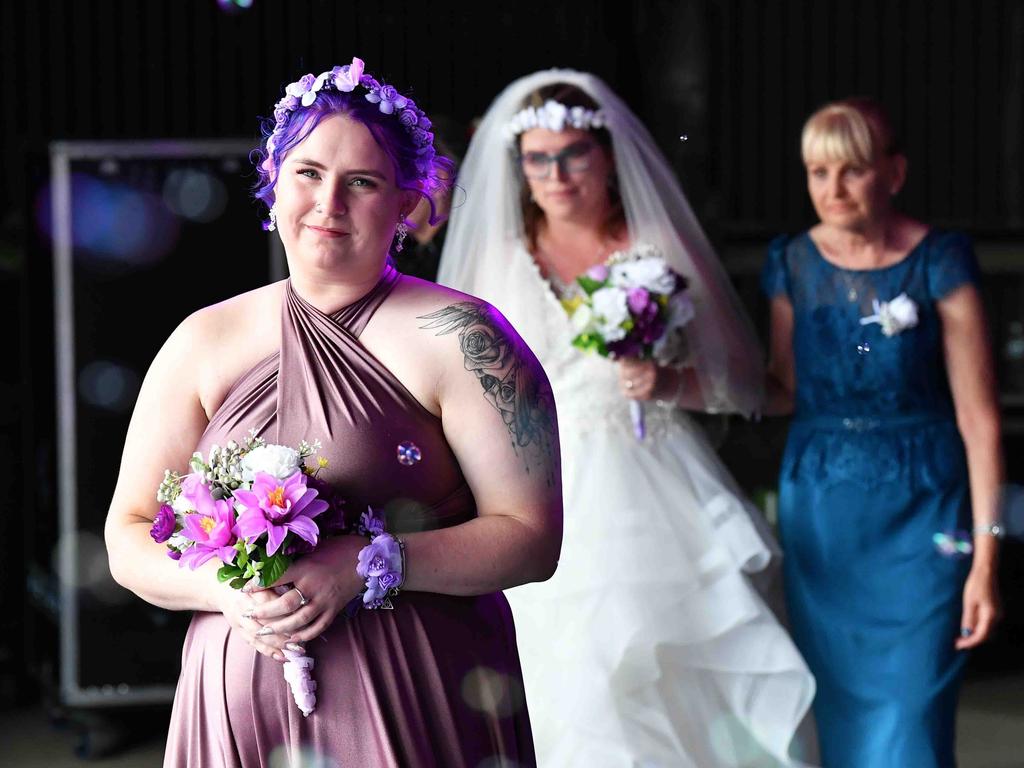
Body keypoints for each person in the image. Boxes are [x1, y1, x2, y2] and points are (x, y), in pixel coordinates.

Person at [104, 58, 562, 767]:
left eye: (364, 182)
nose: (329, 203)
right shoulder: (203, 339)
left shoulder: (468, 339)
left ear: (408, 203)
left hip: (411, 689)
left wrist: (370, 563)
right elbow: (126, 535)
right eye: (308, 173)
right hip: (236, 699)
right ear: (272, 181)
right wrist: (227, 592)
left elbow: (532, 539)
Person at [439, 69, 816, 767]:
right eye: (537, 158)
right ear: (518, 166)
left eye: (573, 154)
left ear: (607, 154)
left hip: (656, 486)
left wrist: (668, 380)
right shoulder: (494, 261)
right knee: (567, 684)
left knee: (673, 671)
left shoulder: (658, 248)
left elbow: (742, 386)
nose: (556, 174)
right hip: (538, 490)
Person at [761, 97, 1003, 767]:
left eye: (851, 170)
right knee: (835, 715)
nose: (831, 190)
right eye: (816, 172)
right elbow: (780, 391)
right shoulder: (791, 263)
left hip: (926, 510)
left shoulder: (940, 260)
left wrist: (986, 562)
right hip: (824, 513)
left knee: (912, 714)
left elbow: (979, 421)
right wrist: (674, 375)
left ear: (893, 173)